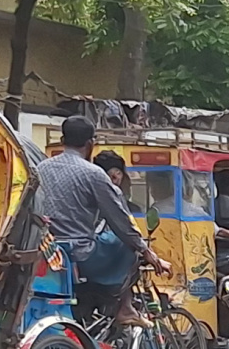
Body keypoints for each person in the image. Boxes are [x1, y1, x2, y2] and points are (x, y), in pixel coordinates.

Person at [38, 115, 166, 330]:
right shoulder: (93, 174)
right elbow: (121, 222)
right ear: (90, 144)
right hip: (81, 255)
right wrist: (146, 251)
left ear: (62, 139)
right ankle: (124, 307)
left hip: (47, 251)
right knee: (126, 243)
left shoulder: (40, 169)